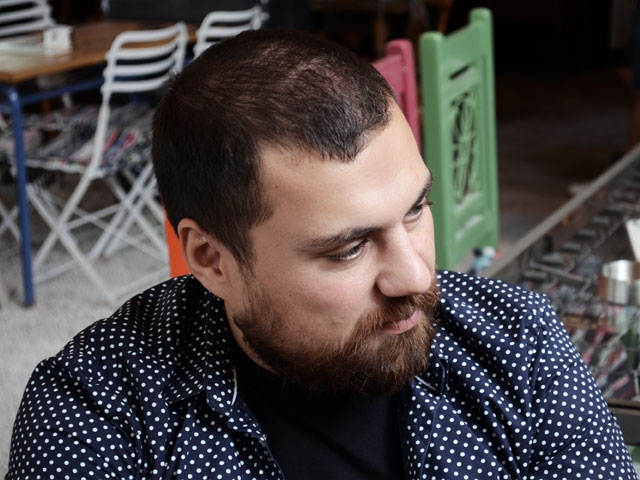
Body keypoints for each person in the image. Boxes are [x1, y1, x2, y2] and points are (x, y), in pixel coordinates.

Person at [6, 29, 637, 480]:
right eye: (349, 248)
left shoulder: (518, 341)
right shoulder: (94, 415)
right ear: (211, 258)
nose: (416, 274)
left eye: (415, 208)